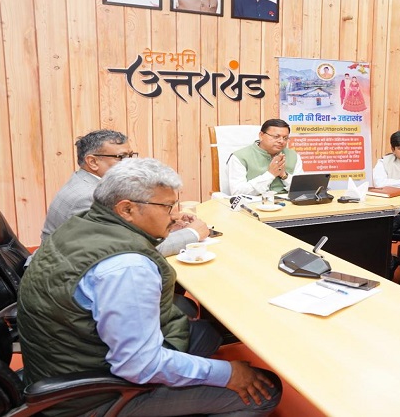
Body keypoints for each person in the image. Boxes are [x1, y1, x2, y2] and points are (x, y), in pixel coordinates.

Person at [18, 158, 282, 416]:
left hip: (61, 360)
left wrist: (164, 223)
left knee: (206, 334)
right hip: (89, 398)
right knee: (266, 391)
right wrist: (227, 374)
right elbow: (139, 366)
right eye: (167, 207)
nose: (174, 215)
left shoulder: (83, 225)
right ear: (127, 209)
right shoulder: (128, 268)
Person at [40, 129, 209, 257]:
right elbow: (129, 249)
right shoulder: (89, 196)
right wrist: (192, 234)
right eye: (121, 157)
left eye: (131, 155)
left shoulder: (87, 182)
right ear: (92, 162)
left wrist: (166, 222)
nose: (130, 163)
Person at [227, 119, 304, 195]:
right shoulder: (239, 157)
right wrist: (270, 175)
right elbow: (237, 192)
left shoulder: (294, 156)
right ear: (261, 135)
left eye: (285, 138)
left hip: (287, 201)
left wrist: (284, 176)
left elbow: (302, 189)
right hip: (255, 201)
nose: (281, 141)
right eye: (276, 136)